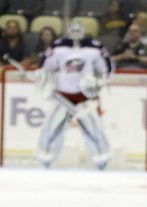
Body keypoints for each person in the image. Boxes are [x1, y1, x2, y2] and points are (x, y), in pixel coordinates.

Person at [35, 21, 113, 170]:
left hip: (84, 95)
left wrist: (99, 82)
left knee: (93, 128)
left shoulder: (95, 47)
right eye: (73, 29)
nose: (76, 33)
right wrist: (43, 76)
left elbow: (106, 69)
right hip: (62, 94)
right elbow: (46, 67)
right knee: (51, 127)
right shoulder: (58, 46)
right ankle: (45, 157)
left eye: (79, 29)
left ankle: (101, 158)